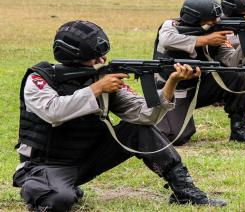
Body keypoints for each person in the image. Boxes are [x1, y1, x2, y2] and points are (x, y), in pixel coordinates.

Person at [12, 20, 226, 211]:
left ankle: (184, 190)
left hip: (87, 159)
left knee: (137, 127)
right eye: (96, 55)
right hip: (47, 164)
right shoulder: (40, 79)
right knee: (59, 201)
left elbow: (146, 116)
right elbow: (54, 112)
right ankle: (38, 185)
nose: (103, 58)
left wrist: (171, 83)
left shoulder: (102, 79)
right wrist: (96, 89)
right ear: (76, 55)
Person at [154, 0, 245, 145]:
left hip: (200, 86)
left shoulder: (215, 32)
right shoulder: (171, 25)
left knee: (237, 75)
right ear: (193, 19)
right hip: (171, 91)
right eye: (210, 19)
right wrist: (204, 40)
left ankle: (239, 129)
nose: (215, 22)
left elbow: (233, 62)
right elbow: (166, 40)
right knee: (176, 137)